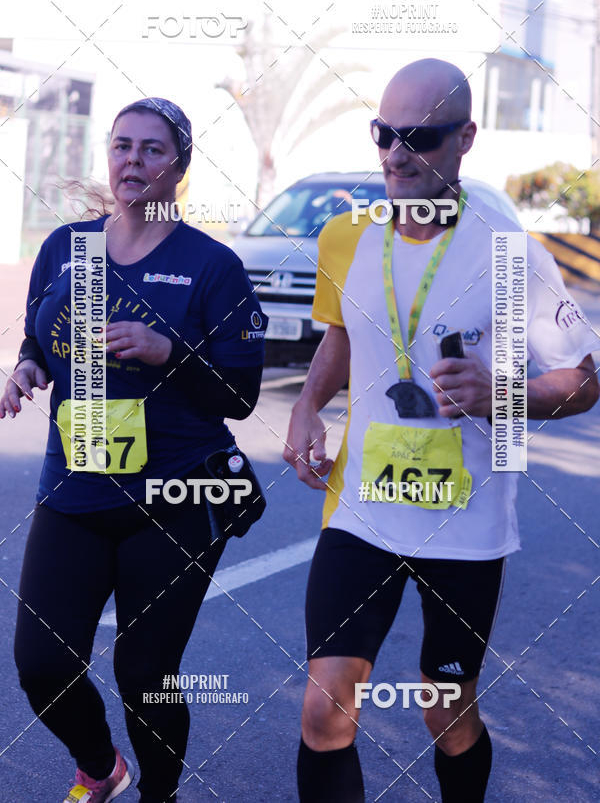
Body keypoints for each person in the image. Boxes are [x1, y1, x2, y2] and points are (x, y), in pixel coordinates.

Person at [283, 58, 600, 803]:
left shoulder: (510, 254)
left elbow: (585, 382)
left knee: (445, 706)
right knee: (325, 708)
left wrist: (501, 394)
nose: (395, 154)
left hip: (465, 530)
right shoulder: (347, 238)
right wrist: (305, 407)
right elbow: (341, 335)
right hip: (361, 515)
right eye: (383, 134)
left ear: (465, 138)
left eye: (418, 136)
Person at [1, 97, 267, 803]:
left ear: (179, 166)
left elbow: (239, 395)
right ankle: (100, 768)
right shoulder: (69, 247)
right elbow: (41, 337)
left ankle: (159, 794)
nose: (133, 161)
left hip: (175, 499)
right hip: (77, 489)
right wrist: (27, 367)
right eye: (122, 146)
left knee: (145, 674)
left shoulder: (212, 265)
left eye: (153, 150)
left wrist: (167, 352)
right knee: (40, 663)